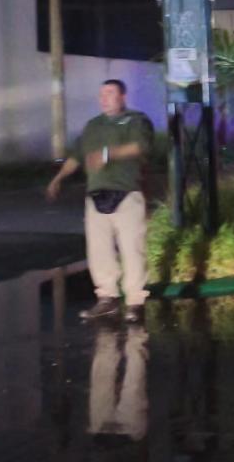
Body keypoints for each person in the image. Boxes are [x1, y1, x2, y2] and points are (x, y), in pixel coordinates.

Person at [47, 79, 155, 323]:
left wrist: (108, 154)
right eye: (101, 94)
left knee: (132, 250)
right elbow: (77, 156)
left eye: (109, 93)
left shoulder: (136, 120)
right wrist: (59, 178)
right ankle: (107, 299)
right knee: (98, 251)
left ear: (122, 97)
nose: (103, 98)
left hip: (127, 194)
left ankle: (135, 302)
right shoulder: (92, 126)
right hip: (96, 196)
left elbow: (141, 146)